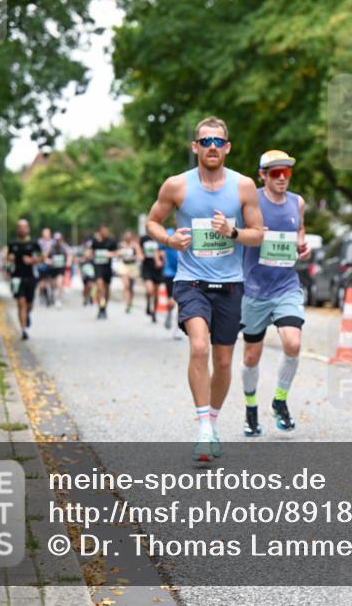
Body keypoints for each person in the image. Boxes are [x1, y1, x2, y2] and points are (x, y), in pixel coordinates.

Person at [145, 116, 264, 462]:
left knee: (224, 362)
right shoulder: (176, 186)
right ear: (195, 147)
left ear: (227, 148)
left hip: (230, 285)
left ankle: (212, 420)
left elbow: (259, 232)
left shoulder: (242, 186)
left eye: (218, 141)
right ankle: (203, 430)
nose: (212, 147)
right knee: (199, 346)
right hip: (191, 281)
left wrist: (232, 232)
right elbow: (153, 220)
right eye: (205, 141)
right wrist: (168, 238)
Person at [239, 150, 312, 436]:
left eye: (287, 173)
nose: (282, 178)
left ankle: (280, 401)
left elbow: (300, 229)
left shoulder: (298, 202)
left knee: (292, 344)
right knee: (250, 357)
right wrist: (253, 233)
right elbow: (237, 233)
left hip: (286, 286)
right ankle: (250, 408)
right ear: (263, 175)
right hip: (254, 289)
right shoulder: (251, 201)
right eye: (275, 173)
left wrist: (302, 245)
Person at [6, 219, 40, 340]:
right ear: (17, 229)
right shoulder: (12, 244)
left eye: (24, 227)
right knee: (21, 303)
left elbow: (42, 257)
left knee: (29, 304)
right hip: (17, 277)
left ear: (28, 229)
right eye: (20, 227)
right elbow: (7, 258)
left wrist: (33, 260)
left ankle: (27, 314)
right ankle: (23, 330)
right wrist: (9, 258)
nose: (22, 229)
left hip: (31, 277)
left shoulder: (34, 243)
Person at [90, 225, 118, 319]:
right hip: (98, 267)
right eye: (103, 231)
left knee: (106, 290)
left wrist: (111, 254)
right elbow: (92, 252)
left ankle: (104, 307)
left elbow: (117, 253)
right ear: (100, 232)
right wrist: (88, 254)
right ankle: (101, 307)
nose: (105, 233)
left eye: (106, 231)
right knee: (100, 288)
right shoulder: (95, 241)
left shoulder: (112, 241)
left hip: (107, 268)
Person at [160, 227, 181, 338]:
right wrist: (160, 259)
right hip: (169, 273)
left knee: (180, 302)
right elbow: (161, 248)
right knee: (171, 302)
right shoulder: (168, 233)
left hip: (183, 273)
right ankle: (169, 312)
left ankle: (177, 330)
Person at [117, 230, 143, 314]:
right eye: (126, 237)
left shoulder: (135, 245)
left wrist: (133, 256)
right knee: (126, 285)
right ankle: (127, 303)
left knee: (131, 287)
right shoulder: (121, 245)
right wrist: (121, 253)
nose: (127, 238)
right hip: (124, 266)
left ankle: (130, 302)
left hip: (132, 266)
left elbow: (140, 255)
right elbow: (117, 254)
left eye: (129, 237)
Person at [140, 230, 164, 322]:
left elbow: (163, 251)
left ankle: (154, 312)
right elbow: (139, 249)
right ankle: (148, 304)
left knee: (156, 292)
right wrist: (140, 255)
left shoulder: (161, 237)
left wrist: (161, 259)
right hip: (147, 266)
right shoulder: (144, 238)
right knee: (150, 290)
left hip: (157, 268)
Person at [48, 233, 69, 308]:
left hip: (61, 268)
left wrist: (68, 263)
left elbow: (69, 255)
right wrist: (48, 261)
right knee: (53, 285)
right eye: (56, 240)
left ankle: (58, 300)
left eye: (59, 239)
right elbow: (45, 256)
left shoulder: (65, 247)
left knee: (59, 284)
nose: (57, 241)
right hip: (52, 269)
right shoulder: (50, 247)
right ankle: (53, 296)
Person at [36, 227, 54, 307]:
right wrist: (43, 259)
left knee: (51, 281)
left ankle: (51, 295)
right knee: (42, 283)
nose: (46, 235)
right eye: (45, 233)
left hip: (52, 265)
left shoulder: (53, 242)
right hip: (42, 265)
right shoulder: (39, 242)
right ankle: (42, 294)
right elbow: (37, 253)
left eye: (48, 233)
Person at [79, 235, 97, 307]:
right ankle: (85, 298)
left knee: (93, 285)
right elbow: (78, 259)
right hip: (85, 270)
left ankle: (92, 297)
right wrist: (84, 258)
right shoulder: (81, 250)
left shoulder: (94, 250)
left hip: (93, 271)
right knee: (86, 286)